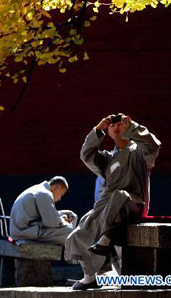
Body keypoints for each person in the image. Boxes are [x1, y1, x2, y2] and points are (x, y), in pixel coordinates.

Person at [65, 114, 161, 290]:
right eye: (112, 125)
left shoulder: (139, 152)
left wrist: (134, 126)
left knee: (120, 196)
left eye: (121, 124)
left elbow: (153, 146)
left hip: (133, 203)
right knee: (82, 228)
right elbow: (86, 156)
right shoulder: (108, 158)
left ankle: (106, 239)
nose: (116, 127)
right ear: (108, 131)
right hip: (108, 207)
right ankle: (90, 276)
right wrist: (97, 131)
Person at [9, 176, 78, 245]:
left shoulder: (38, 189)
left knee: (70, 231)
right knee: (71, 233)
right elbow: (51, 223)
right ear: (57, 187)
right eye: (61, 194)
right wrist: (64, 221)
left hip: (22, 229)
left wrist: (60, 216)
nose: (60, 198)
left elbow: (45, 216)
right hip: (25, 232)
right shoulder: (45, 194)